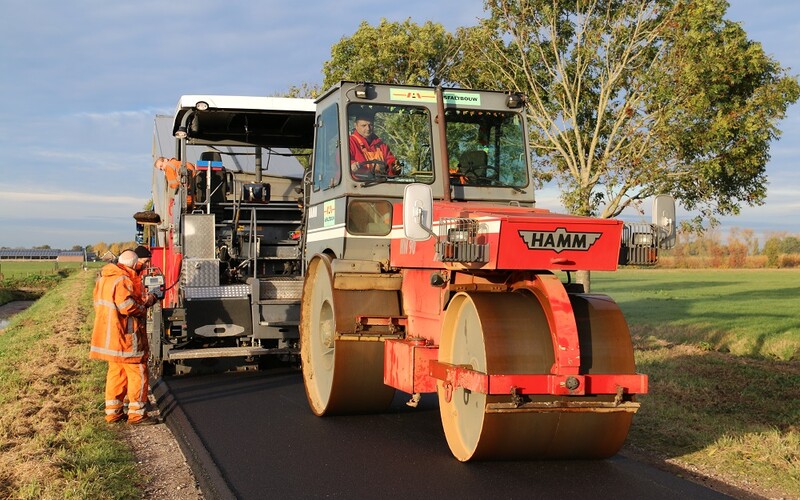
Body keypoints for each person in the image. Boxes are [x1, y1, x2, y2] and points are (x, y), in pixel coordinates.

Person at [89, 249, 158, 425]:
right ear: (134, 264)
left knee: (117, 374)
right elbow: (126, 306)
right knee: (138, 373)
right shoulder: (123, 279)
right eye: (141, 264)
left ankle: (113, 413)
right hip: (126, 336)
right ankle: (137, 415)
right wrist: (145, 304)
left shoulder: (105, 278)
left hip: (110, 336)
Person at [348, 112, 400, 179]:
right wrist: (351, 164)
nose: (368, 128)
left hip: (381, 185)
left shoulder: (381, 145)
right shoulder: (349, 142)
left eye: (370, 125)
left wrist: (393, 168)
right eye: (364, 125)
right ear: (356, 125)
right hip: (358, 185)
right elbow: (342, 162)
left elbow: (391, 162)